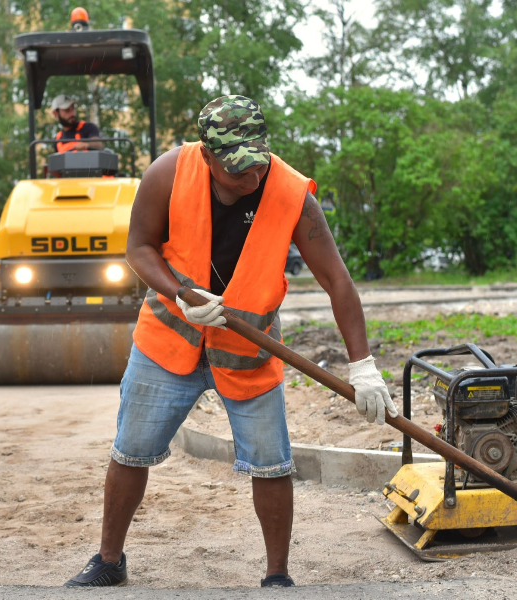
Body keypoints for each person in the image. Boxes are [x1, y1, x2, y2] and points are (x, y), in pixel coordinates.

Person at [64, 95, 397, 588]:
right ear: (207, 154)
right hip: (168, 340)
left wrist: (363, 364)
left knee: (271, 462)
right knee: (131, 450)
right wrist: (179, 292)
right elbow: (138, 248)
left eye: (257, 166)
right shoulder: (167, 173)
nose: (251, 180)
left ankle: (278, 575)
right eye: (237, 171)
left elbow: (338, 282)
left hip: (248, 350)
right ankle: (109, 560)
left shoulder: (290, 193)